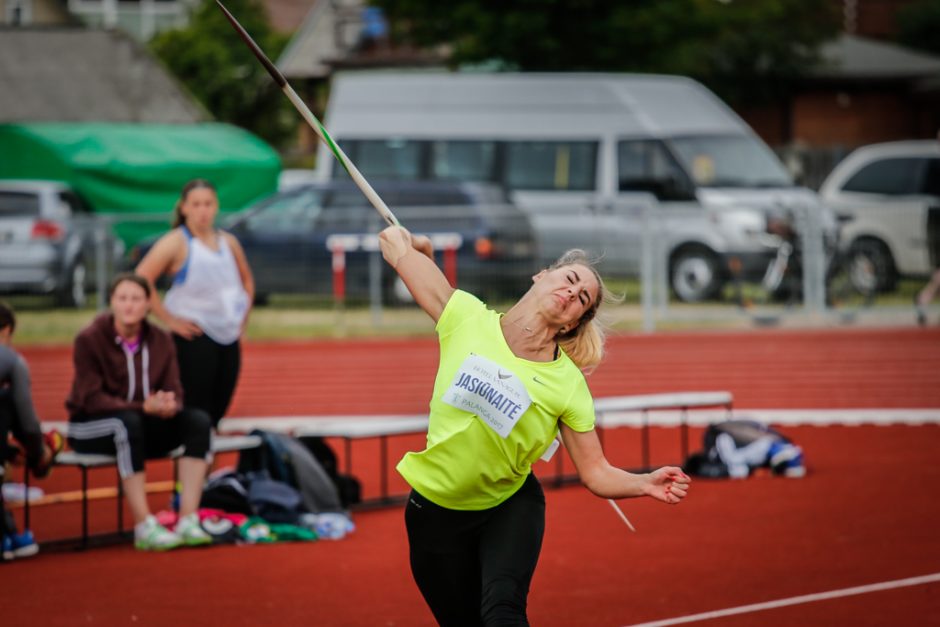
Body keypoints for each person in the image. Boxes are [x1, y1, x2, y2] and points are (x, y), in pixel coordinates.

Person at [377, 226, 691, 625]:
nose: (571, 294)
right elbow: (397, 251)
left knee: (503, 613)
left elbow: (595, 473)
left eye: (582, 300)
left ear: (573, 323)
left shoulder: (568, 385)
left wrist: (644, 482)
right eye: (570, 280)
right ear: (541, 276)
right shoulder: (466, 318)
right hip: (435, 512)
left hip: (507, 508)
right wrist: (406, 245)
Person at [65, 273, 213, 551]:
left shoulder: (160, 340)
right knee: (127, 423)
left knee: (198, 421)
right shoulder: (90, 339)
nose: (129, 305)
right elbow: (91, 399)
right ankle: (144, 524)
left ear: (148, 304)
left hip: (140, 424)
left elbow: (174, 388)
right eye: (122, 299)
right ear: (112, 302)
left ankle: (188, 518)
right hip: (89, 426)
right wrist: (142, 407)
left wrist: (170, 405)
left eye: (136, 299)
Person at [135, 179, 254, 429]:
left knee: (219, 409)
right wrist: (170, 320)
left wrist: (242, 316)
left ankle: (205, 459)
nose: (203, 210)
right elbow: (141, 278)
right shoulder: (176, 242)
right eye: (196, 204)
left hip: (228, 336)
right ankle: (195, 460)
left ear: (216, 206)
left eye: (208, 204)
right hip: (195, 337)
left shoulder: (228, 242)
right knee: (196, 412)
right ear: (184, 208)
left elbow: (246, 280)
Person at [0, 302, 63, 561]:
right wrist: (38, 454)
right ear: (6, 331)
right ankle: (8, 535)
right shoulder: (12, 360)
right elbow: (26, 419)